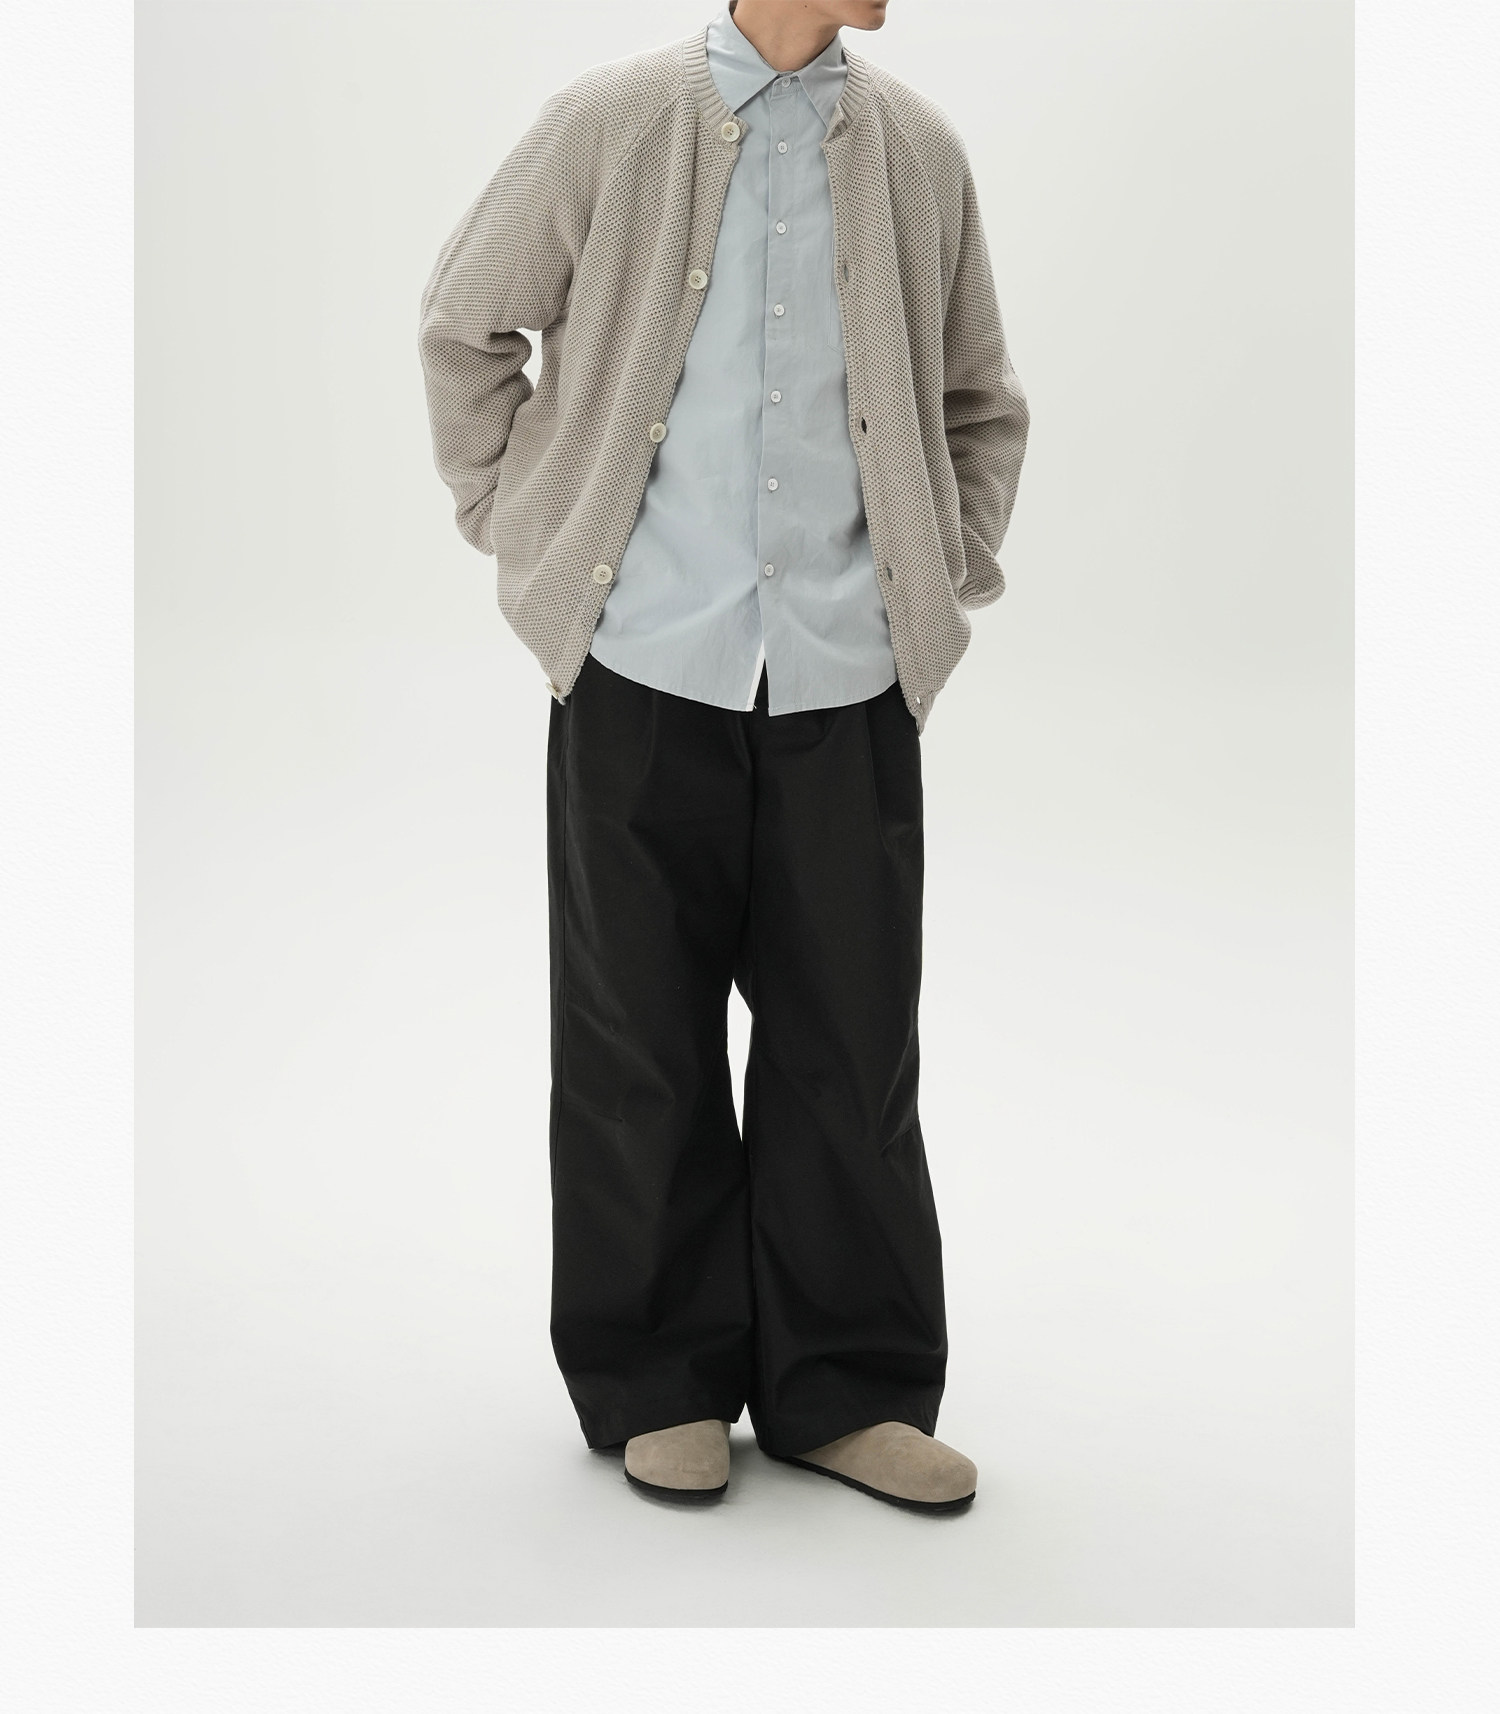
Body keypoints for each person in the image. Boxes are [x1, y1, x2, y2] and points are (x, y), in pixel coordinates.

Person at [418, 0, 1028, 1512]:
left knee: (852, 1045)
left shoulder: (921, 154)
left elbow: (978, 399)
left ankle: (849, 1389)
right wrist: (524, 519)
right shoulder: (615, 119)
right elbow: (465, 324)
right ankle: (660, 1378)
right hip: (643, 658)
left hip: (847, 674)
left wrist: (942, 570)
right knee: (637, 1043)